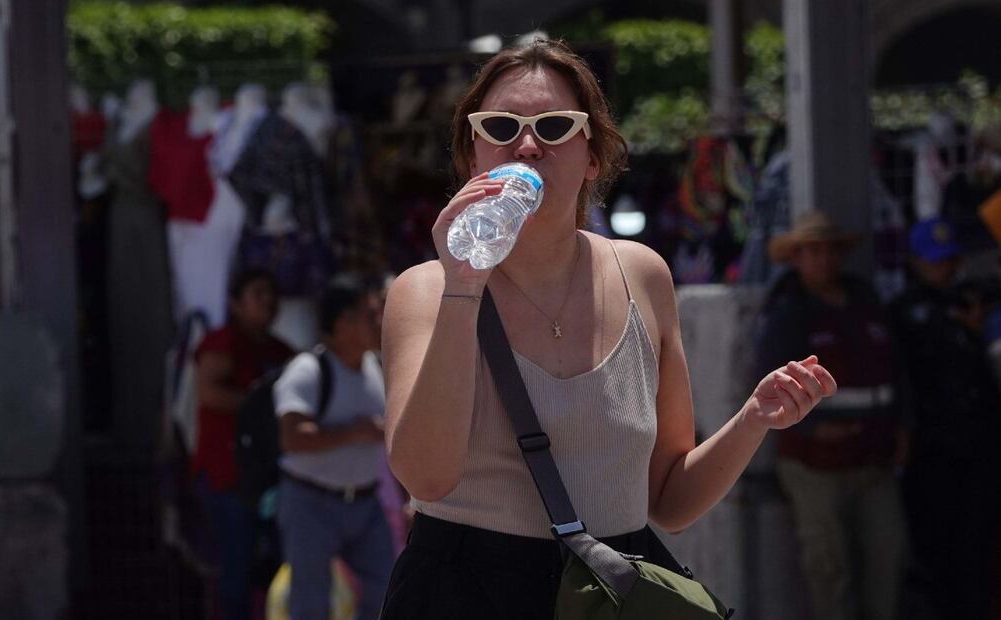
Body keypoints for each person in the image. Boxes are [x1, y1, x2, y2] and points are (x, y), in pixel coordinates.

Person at [378, 38, 836, 619]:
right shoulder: (426, 289)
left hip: (605, 596)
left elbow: (669, 501)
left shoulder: (642, 275)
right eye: (499, 126)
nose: (526, 145)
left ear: (592, 155)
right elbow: (425, 477)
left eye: (554, 126)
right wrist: (464, 286)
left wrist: (753, 419)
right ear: (473, 156)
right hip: (464, 593)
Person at [756, 211, 909, 620]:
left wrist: (902, 427)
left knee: (889, 555)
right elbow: (769, 383)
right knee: (829, 567)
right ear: (796, 257)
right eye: (813, 251)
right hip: (814, 466)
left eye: (830, 250)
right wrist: (813, 428)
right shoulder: (787, 311)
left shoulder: (865, 301)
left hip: (873, 458)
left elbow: (897, 368)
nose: (824, 259)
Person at [890, 216, 1001, 619]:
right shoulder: (904, 312)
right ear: (915, 262)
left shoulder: (974, 304)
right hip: (930, 451)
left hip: (979, 447)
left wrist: (978, 328)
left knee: (978, 546)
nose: (945, 269)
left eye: (950, 260)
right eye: (935, 261)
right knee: (934, 549)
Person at [272, 274, 394, 620]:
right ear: (343, 322)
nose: (380, 321)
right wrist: (353, 432)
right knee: (311, 602)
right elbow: (291, 438)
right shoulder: (307, 371)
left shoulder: (376, 367)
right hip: (311, 504)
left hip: (365, 504)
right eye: (371, 314)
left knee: (388, 587)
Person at [193, 267, 295, 620]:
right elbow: (209, 393)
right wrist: (262, 407)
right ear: (235, 304)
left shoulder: (281, 351)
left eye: (271, 294)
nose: (268, 301)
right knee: (234, 576)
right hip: (226, 479)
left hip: (269, 482)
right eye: (258, 294)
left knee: (272, 573)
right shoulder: (222, 343)